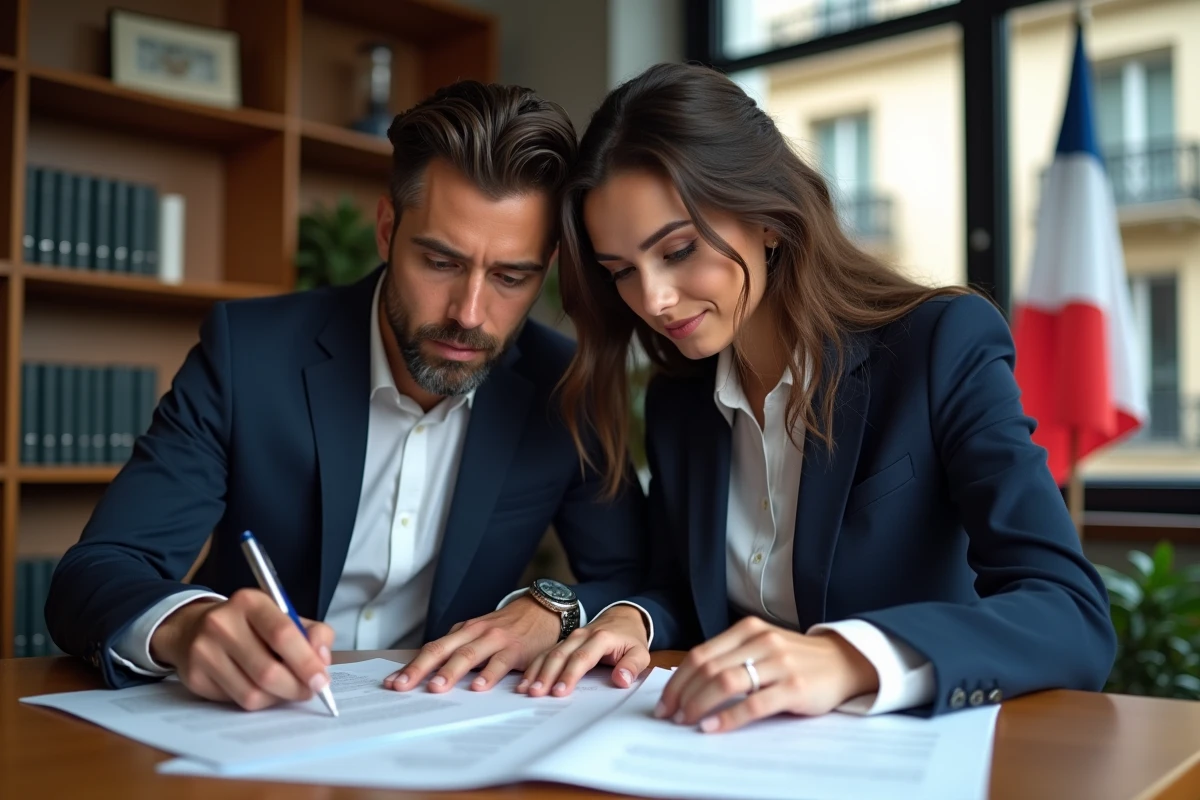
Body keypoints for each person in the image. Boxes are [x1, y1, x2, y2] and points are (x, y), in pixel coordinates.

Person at [516, 62, 1116, 732]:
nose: (652, 299)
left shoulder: (939, 347)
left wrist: (845, 659)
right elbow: (687, 590)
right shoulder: (679, 404)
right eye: (621, 272)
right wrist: (637, 614)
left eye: (679, 250)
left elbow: (1071, 614)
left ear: (767, 217)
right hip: (725, 751)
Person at [45, 80, 650, 710]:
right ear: (387, 229)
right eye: (440, 262)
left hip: (440, 729)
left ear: (546, 268)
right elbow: (94, 574)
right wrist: (187, 625)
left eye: (510, 276)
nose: (470, 313)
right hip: (247, 724)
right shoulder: (249, 354)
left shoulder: (565, 387)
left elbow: (643, 582)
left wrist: (555, 611)